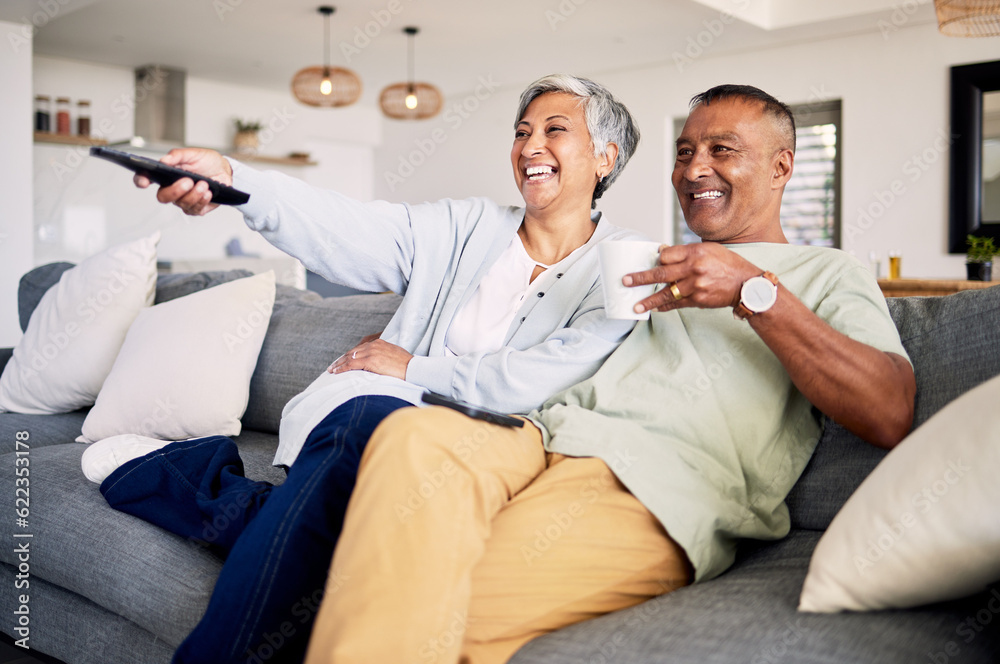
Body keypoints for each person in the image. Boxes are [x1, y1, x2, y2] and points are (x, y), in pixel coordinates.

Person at [301, 84, 917, 664]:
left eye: (721, 150)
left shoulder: (826, 273)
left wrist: (751, 291)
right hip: (532, 438)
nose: (694, 168)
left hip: (650, 484)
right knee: (408, 436)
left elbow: (889, 409)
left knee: (427, 608)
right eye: (684, 152)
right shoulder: (647, 263)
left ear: (782, 168)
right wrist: (406, 345)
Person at [83, 74, 646, 664]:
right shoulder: (466, 227)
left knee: (355, 458)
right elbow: (350, 227)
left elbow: (546, 376)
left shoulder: (625, 264)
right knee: (364, 432)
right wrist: (235, 179)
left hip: (478, 452)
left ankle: (202, 488)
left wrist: (414, 369)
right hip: (370, 429)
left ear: (605, 157)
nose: (530, 147)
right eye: (522, 132)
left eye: (555, 131)